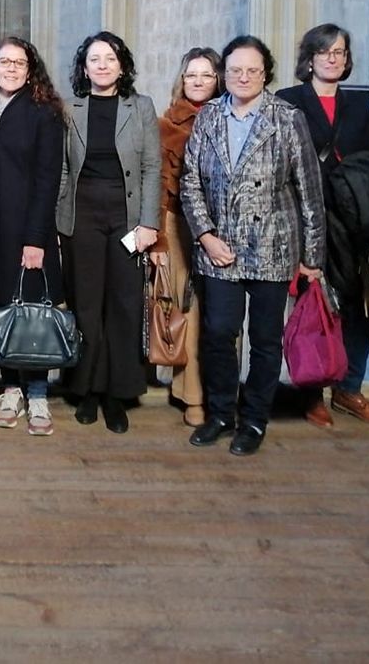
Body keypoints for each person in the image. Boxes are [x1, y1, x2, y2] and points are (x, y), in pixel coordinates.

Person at [179, 35, 325, 457]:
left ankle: (255, 419)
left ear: (266, 74)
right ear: (224, 74)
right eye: (236, 70)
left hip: (273, 248)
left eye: (252, 70)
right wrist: (206, 236)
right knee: (219, 333)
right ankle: (222, 414)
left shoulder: (287, 118)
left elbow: (309, 190)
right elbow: (190, 182)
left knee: (265, 340)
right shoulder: (208, 117)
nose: (243, 77)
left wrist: (312, 257)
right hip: (220, 247)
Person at [277, 23, 369, 430]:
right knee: (313, 306)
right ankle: (311, 393)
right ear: (309, 59)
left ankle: (348, 387)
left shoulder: (357, 105)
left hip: (353, 219)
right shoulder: (288, 101)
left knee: (361, 307)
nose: (333, 58)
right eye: (325, 51)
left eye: (340, 52)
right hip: (306, 217)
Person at [56, 31, 161, 432]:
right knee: (86, 303)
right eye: (94, 59)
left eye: (110, 58)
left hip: (126, 216)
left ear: (122, 65)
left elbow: (153, 166)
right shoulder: (71, 108)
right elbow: (64, 168)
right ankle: (88, 390)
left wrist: (149, 222)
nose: (102, 65)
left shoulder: (142, 107)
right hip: (81, 215)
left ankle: (118, 394)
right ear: (84, 67)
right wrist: (57, 218)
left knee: (123, 304)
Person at [0, 36, 67, 435]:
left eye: (19, 63)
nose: (10, 68)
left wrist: (36, 239)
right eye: (4, 62)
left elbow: (47, 180)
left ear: (30, 70)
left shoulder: (44, 113)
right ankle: (11, 390)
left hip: (28, 229)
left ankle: (38, 394)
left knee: (33, 313)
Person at [146, 47, 224, 427]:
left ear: (218, 80)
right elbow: (157, 188)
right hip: (178, 227)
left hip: (227, 228)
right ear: (181, 80)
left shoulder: (232, 121)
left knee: (223, 315)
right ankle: (192, 396)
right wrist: (159, 241)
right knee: (188, 311)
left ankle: (221, 393)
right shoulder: (165, 126)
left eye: (206, 75)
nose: (198, 81)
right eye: (191, 75)